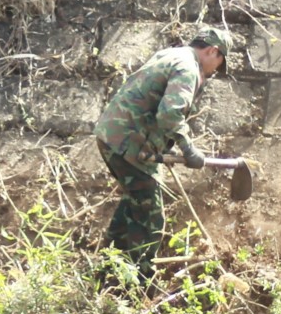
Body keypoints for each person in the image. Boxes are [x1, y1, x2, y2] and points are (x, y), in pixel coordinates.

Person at [93, 26, 233, 275]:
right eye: (218, 63)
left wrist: (161, 145)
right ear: (213, 51)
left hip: (113, 136)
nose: (214, 71)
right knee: (151, 219)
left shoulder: (171, 54)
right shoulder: (188, 68)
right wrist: (188, 149)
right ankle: (139, 281)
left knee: (135, 202)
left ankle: (107, 269)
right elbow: (170, 113)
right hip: (129, 144)